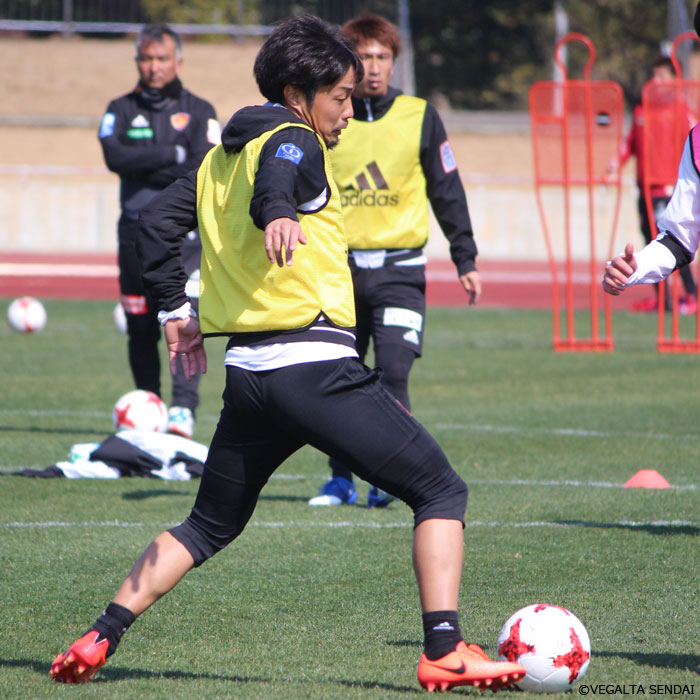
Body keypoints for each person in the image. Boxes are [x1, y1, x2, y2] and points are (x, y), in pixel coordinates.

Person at [49, 16, 525, 693]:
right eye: (341, 96)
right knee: (441, 490)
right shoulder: (295, 137)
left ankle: (101, 633)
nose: (350, 111)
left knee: (206, 526)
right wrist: (276, 209)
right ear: (298, 95)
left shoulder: (216, 160)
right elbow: (282, 172)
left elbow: (154, 224)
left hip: (250, 378)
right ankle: (445, 650)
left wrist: (176, 310)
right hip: (314, 369)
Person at [308, 13, 482, 508]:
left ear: (394, 61)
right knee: (337, 374)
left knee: (393, 372)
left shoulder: (419, 116)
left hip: (400, 270)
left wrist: (465, 256)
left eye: (382, 56)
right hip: (337, 269)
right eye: (363, 56)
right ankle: (340, 480)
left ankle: (388, 478)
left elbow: (447, 189)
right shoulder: (327, 118)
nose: (374, 66)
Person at [98, 23, 221, 438]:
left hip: (184, 237)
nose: (154, 67)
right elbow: (115, 157)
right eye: (147, 58)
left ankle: (183, 409)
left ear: (178, 61)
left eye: (162, 58)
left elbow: (202, 166)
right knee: (139, 326)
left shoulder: (200, 110)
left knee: (184, 317)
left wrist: (146, 161)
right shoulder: (119, 108)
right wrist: (171, 153)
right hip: (133, 236)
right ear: (137, 61)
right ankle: (148, 406)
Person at [608, 56, 697, 314]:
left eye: (662, 76)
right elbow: (629, 144)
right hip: (645, 190)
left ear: (674, 81)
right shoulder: (642, 111)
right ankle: (664, 301)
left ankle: (691, 295)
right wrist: (614, 165)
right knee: (655, 242)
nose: (656, 82)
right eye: (654, 76)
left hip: (668, 190)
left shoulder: (681, 111)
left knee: (679, 240)